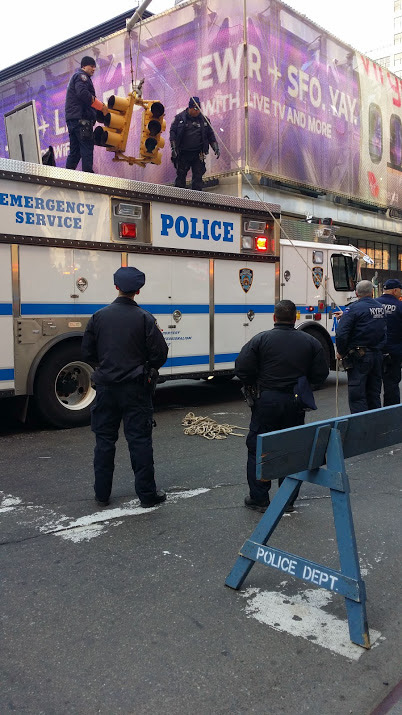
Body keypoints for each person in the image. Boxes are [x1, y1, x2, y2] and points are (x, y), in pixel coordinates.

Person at [81, 266, 169, 508]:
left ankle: (102, 494)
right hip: (136, 389)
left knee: (104, 441)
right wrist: (145, 366)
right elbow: (160, 354)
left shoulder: (98, 317)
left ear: (116, 287)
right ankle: (147, 495)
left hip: (106, 388)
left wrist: (106, 366)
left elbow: (87, 352)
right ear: (138, 290)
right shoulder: (145, 318)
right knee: (139, 441)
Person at [235, 300, 329, 513]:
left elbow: (242, 368)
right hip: (295, 401)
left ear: (274, 317)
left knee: (259, 447)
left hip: (266, 399)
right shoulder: (310, 341)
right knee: (291, 448)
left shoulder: (260, 339)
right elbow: (320, 374)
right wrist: (303, 385)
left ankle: (259, 498)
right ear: (295, 318)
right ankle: (287, 500)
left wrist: (255, 382)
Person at [335, 279, 386, 414]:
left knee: (357, 396)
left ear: (357, 294)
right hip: (377, 355)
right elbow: (383, 330)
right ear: (372, 293)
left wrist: (341, 351)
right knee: (374, 394)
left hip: (359, 357)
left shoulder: (353, 309)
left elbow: (341, 333)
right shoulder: (380, 308)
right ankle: (375, 423)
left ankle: (361, 426)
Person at [65, 56, 107, 173]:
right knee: (87, 147)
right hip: (82, 120)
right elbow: (83, 93)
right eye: (91, 66)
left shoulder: (77, 77)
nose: (94, 69)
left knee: (75, 151)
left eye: (95, 67)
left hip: (73, 119)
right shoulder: (82, 76)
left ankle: (66, 176)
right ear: (84, 66)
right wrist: (101, 107)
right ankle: (88, 176)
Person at [169, 96, 220, 190]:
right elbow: (173, 133)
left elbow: (210, 135)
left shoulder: (204, 120)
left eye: (199, 109)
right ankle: (178, 195)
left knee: (198, 176)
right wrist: (173, 148)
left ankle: (197, 196)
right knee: (181, 175)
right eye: (195, 109)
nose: (197, 111)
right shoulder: (179, 118)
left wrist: (215, 147)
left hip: (198, 153)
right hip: (183, 152)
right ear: (190, 108)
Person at [377, 278, 402, 405]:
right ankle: (390, 412)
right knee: (391, 385)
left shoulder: (374, 304)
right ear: (395, 290)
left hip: (375, 351)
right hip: (394, 352)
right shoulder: (400, 306)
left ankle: (374, 412)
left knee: (373, 386)